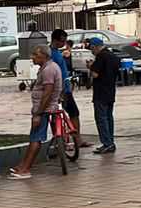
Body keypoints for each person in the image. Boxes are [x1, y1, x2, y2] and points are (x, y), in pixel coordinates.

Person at [10, 45, 62, 179]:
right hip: (43, 108)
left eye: (35, 55)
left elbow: (48, 92)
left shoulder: (49, 70)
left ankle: (25, 169)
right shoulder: (48, 68)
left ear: (44, 56)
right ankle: (23, 165)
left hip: (44, 109)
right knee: (34, 137)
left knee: (36, 138)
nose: (32, 57)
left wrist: (38, 114)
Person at [49, 28, 89, 150]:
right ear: (56, 40)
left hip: (64, 88)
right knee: (71, 113)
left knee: (71, 113)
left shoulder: (56, 52)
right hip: (60, 90)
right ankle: (72, 140)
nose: (64, 44)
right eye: (62, 41)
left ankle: (74, 139)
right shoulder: (52, 54)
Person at [87, 36, 121, 153]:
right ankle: (110, 142)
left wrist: (90, 67)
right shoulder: (113, 56)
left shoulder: (101, 57)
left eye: (91, 49)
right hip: (111, 90)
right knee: (108, 117)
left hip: (100, 92)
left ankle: (106, 143)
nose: (92, 52)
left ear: (94, 47)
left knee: (101, 118)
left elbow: (95, 74)